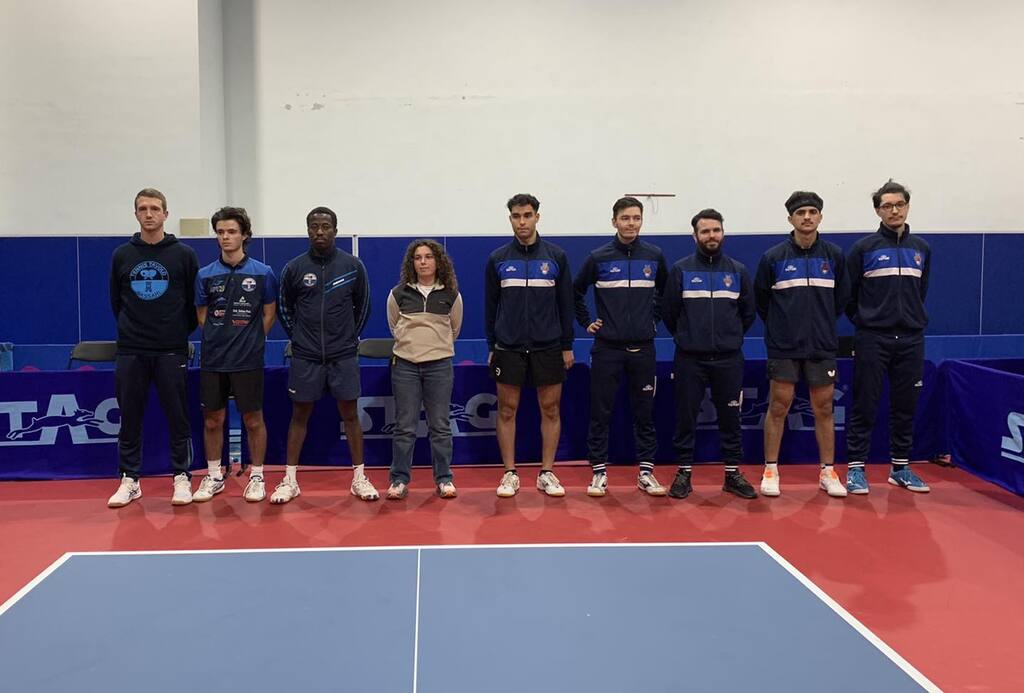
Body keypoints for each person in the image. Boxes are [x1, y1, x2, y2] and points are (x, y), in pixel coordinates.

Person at [271, 206, 378, 503]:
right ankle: (290, 480)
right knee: (299, 415)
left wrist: (347, 338)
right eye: (314, 226)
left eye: (325, 226)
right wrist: (300, 338)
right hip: (305, 357)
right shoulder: (294, 268)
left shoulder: (352, 266)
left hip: (342, 355)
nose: (320, 231)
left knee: (350, 415)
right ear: (308, 230)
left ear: (335, 230)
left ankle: (359, 479)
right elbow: (284, 308)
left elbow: (363, 307)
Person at [753, 191, 850, 498]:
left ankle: (827, 472)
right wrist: (784, 328)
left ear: (820, 216)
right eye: (800, 213)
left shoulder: (834, 256)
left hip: (821, 345)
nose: (807, 217)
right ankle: (770, 469)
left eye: (812, 212)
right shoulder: (773, 257)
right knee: (778, 406)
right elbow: (762, 301)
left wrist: (819, 325)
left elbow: (841, 300)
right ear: (790, 218)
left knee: (824, 407)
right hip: (784, 346)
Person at [107, 188, 199, 507]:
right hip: (131, 349)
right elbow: (116, 302)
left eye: (155, 208)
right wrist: (133, 330)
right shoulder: (122, 255)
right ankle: (130, 479)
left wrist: (175, 333)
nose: (149, 214)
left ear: (165, 214)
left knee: (178, 416)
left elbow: (193, 304)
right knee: (130, 417)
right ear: (135, 214)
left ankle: (181, 477)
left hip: (171, 350)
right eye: (143, 208)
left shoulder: (184, 255)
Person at [573, 196, 667, 497]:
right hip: (607, 349)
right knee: (600, 412)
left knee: (645, 413)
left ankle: (646, 473)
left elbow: (667, 293)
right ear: (614, 221)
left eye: (636, 218)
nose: (631, 224)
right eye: (625, 218)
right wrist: (587, 322)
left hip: (644, 348)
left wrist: (653, 320)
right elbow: (574, 292)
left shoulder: (654, 256)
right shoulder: (598, 257)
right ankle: (598, 473)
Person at [662, 209, 757, 499]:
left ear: (723, 233)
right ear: (695, 236)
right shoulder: (680, 270)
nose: (711, 235)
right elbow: (669, 313)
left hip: (729, 358)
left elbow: (748, 313)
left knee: (731, 417)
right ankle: (683, 473)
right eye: (705, 231)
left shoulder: (738, 271)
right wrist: (690, 338)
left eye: (716, 230)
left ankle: (732, 474)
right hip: (690, 358)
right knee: (686, 417)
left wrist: (728, 338)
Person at [485, 193, 575, 498]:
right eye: (516, 216)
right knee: (507, 410)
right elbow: (490, 306)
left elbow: (565, 305)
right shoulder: (498, 259)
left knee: (550, 409)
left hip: (548, 346)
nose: (521, 222)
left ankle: (546, 472)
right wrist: (492, 344)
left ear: (537, 217)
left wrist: (566, 345)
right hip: (508, 347)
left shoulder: (556, 257)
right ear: (510, 218)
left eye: (527, 215)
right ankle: (510, 473)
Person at [844, 180, 931, 494]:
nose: (894, 210)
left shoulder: (921, 249)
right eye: (887, 206)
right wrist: (869, 322)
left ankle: (900, 468)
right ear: (878, 211)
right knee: (864, 404)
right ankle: (856, 469)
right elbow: (849, 297)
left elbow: (920, 292)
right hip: (872, 339)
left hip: (911, 339)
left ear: (907, 206)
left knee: (905, 406)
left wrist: (907, 320)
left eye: (899, 204)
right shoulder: (864, 249)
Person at [192, 207, 278, 503]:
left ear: (244, 235)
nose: (225, 237)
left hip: (248, 360)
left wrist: (249, 340)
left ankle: (257, 476)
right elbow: (202, 316)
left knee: (253, 419)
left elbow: (269, 314)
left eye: (231, 232)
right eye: (220, 232)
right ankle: (214, 476)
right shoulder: (205, 275)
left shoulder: (263, 273)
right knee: (212, 420)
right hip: (214, 359)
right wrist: (221, 337)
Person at [385, 240, 464, 499]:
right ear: (412, 263)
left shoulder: (451, 295)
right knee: (404, 427)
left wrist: (435, 348)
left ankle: (444, 479)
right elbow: (394, 326)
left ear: (438, 261)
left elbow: (454, 329)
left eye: (428, 256)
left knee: (440, 426)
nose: (423, 261)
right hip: (405, 366)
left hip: (439, 366)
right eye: (418, 257)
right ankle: (399, 480)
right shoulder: (398, 294)